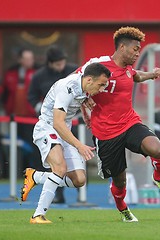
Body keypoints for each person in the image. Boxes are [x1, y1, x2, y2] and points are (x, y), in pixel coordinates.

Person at [79, 26, 160, 222]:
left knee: (157, 149)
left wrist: (152, 74)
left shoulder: (128, 69)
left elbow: (135, 75)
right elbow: (74, 81)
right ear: (122, 47)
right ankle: (123, 209)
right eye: (135, 49)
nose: (138, 52)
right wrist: (82, 98)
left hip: (129, 123)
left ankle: (159, 177)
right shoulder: (99, 64)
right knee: (120, 181)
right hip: (106, 132)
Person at [20, 63, 110, 224]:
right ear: (89, 79)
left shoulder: (84, 85)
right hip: (47, 128)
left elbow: (79, 93)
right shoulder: (67, 87)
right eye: (101, 85)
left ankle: (36, 176)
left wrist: (85, 101)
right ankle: (37, 215)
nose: (102, 89)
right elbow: (58, 123)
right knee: (60, 169)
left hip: (63, 131)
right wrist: (79, 145)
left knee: (79, 180)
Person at [28, 45, 78, 203]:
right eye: (57, 63)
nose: (61, 66)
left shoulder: (73, 71)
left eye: (62, 62)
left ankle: (80, 192)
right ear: (49, 63)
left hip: (69, 121)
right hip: (50, 122)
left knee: (75, 160)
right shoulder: (39, 76)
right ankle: (58, 193)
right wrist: (41, 108)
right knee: (56, 161)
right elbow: (32, 96)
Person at [0, 48, 40, 173]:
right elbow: (3, 92)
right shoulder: (11, 73)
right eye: (26, 59)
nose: (29, 61)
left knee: (34, 145)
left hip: (32, 117)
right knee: (16, 145)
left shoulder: (38, 73)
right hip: (13, 117)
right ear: (20, 60)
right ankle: (17, 172)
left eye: (31, 59)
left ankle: (36, 171)